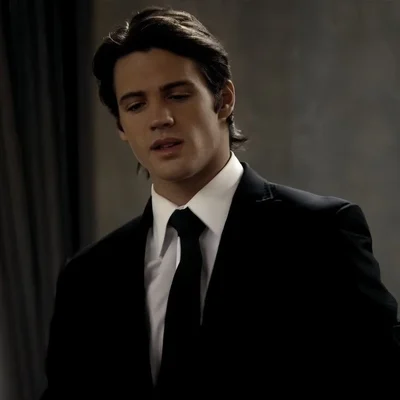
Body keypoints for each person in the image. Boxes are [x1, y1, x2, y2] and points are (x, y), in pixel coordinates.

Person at [40, 5, 400, 399]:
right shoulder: (87, 277)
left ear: (224, 99)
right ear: (122, 126)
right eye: (136, 105)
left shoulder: (319, 233)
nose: (160, 118)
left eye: (177, 95)